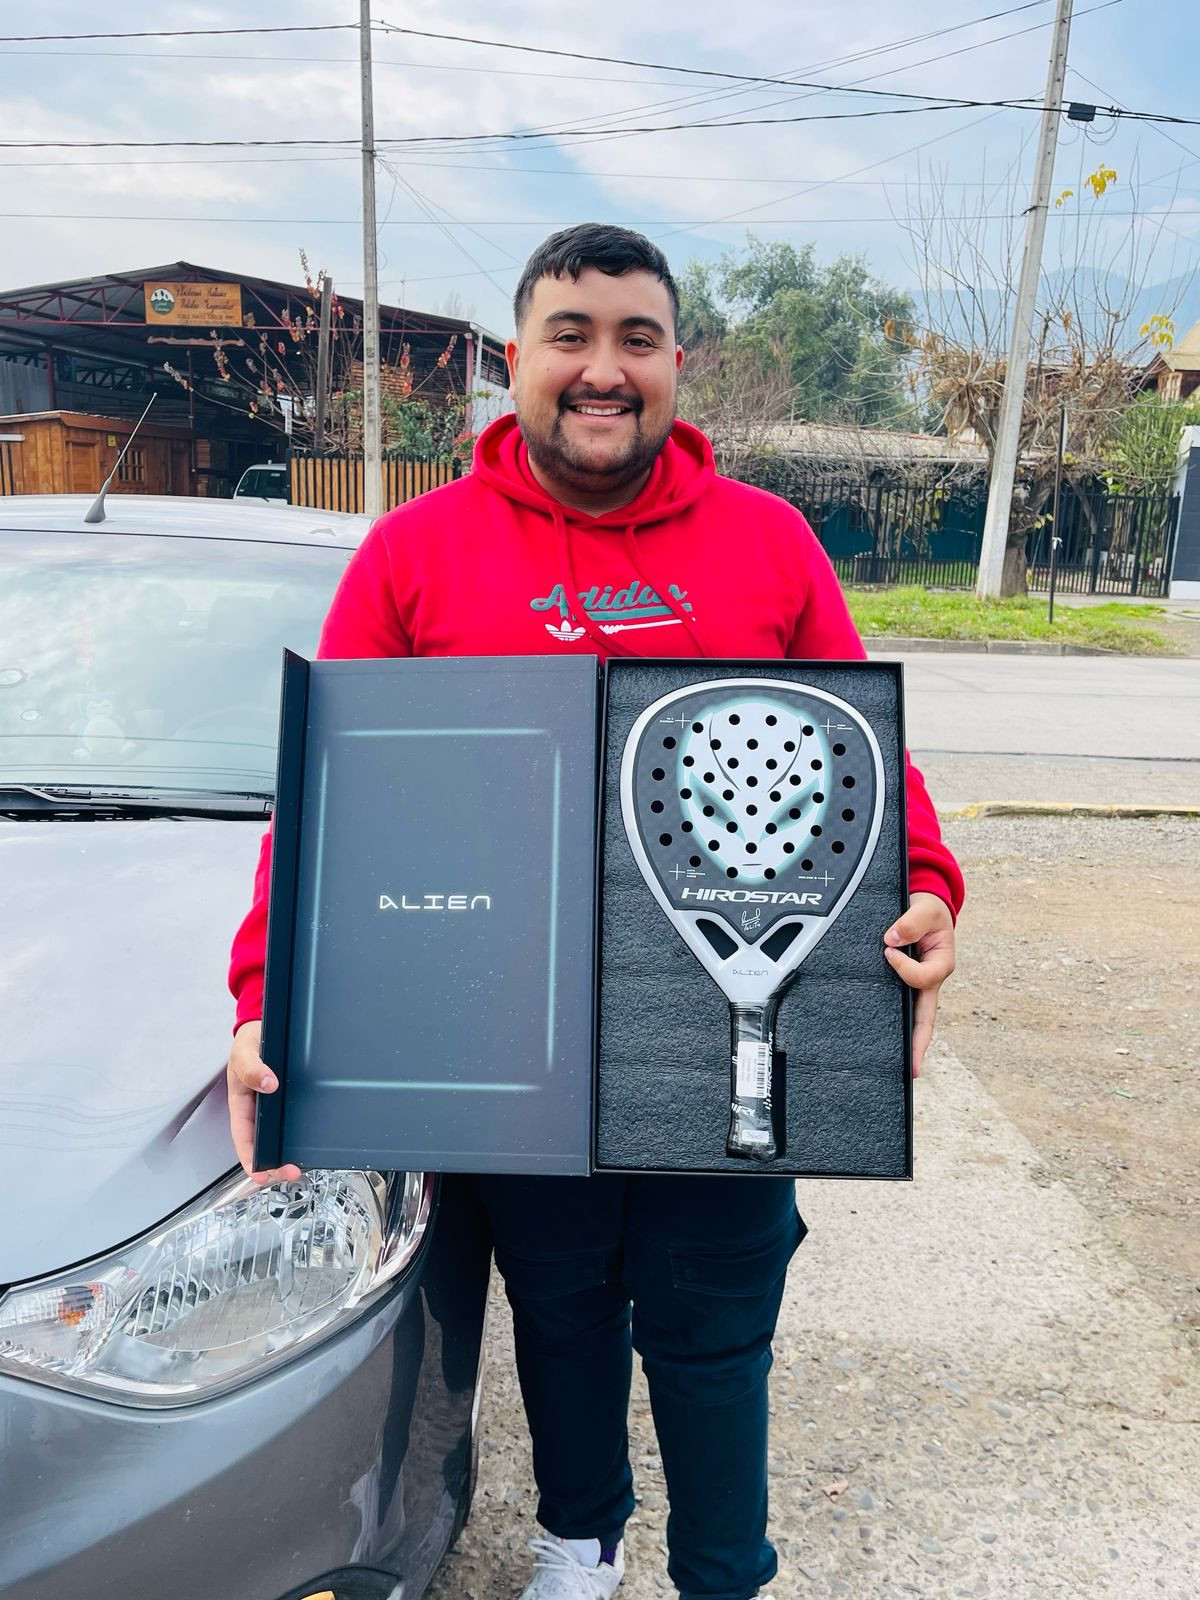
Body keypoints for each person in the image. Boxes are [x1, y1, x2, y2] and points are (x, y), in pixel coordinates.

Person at [227, 223, 964, 1600]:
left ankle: (723, 1572)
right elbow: (329, 798)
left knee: (712, 1326)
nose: (604, 369)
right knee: (558, 1310)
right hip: (507, 1045)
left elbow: (860, 753)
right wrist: (268, 996)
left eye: (638, 338)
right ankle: (583, 1539)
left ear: (678, 363)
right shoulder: (412, 554)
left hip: (715, 1048)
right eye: (570, 336)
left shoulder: (770, 544)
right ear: (516, 359)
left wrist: (927, 884)